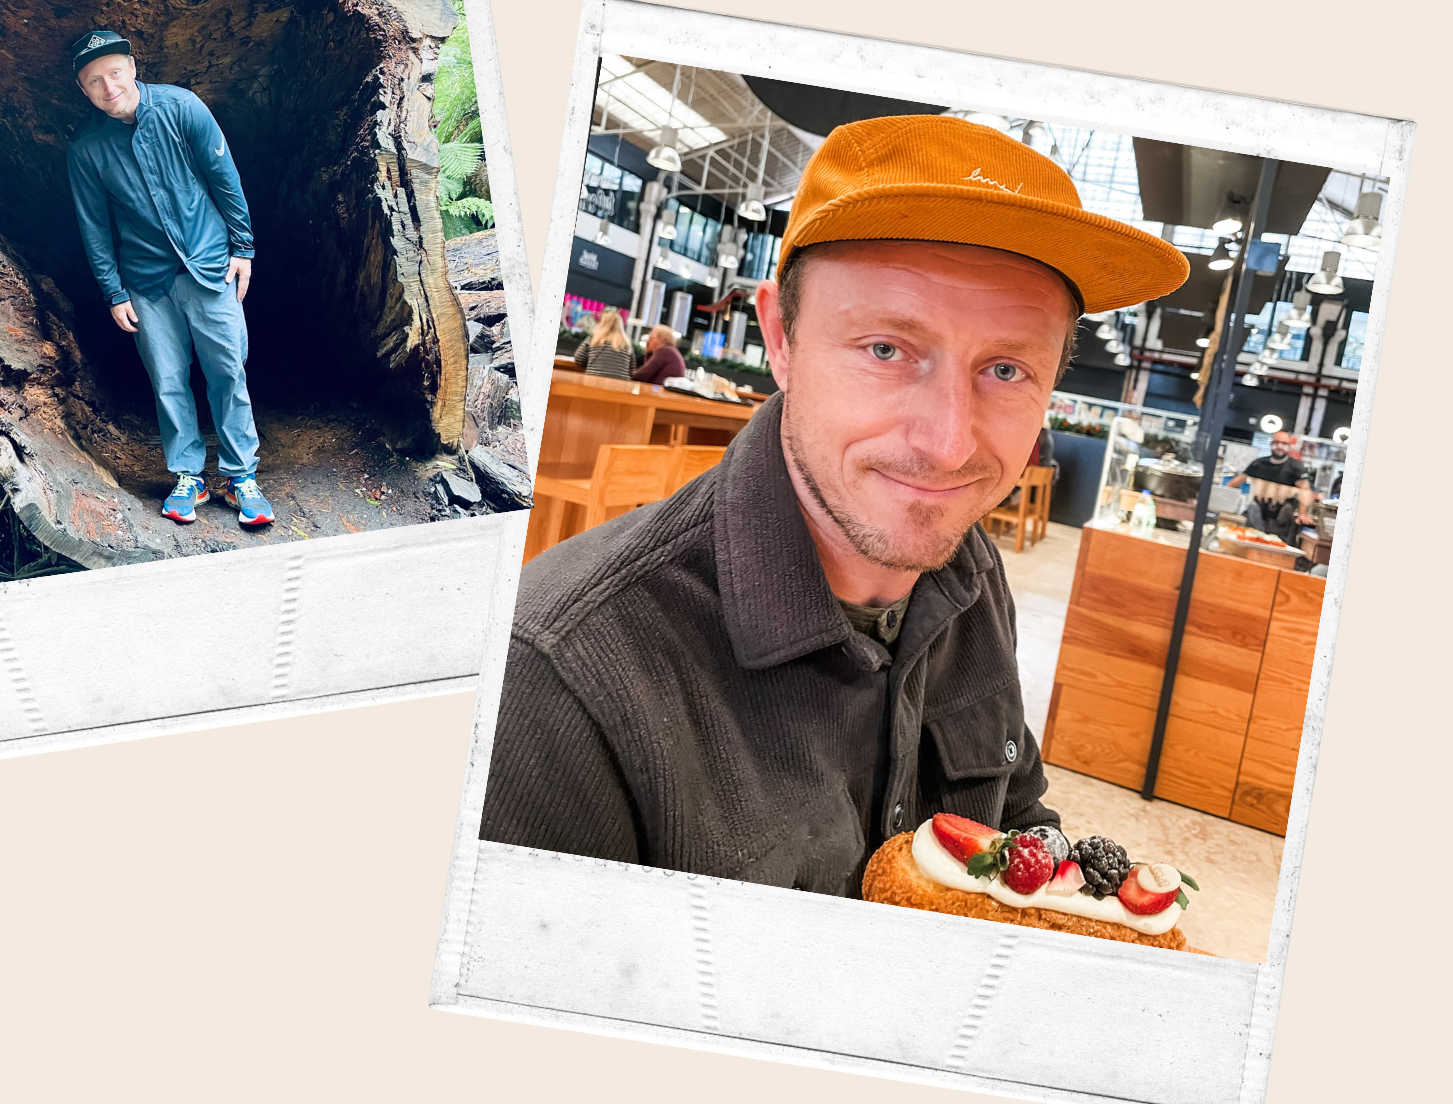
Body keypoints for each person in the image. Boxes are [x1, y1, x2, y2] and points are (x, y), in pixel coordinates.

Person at [482, 115, 1188, 896]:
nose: (949, 447)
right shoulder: (558, 682)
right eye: (886, 349)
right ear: (781, 337)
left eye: (1008, 370)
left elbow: (1017, 816)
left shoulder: (969, 569)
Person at [63, 29, 275, 529]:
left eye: (115, 72)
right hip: (146, 278)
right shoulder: (86, 148)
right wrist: (114, 292)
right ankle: (188, 474)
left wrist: (243, 247)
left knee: (228, 370)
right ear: (83, 90)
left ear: (133, 67)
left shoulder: (182, 108)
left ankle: (242, 475)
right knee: (168, 379)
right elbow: (93, 227)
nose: (108, 86)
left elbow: (225, 177)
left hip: (208, 263)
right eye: (95, 80)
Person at [1236, 431, 1317, 545]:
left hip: (1282, 522)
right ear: (1271, 444)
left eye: (1284, 443)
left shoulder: (1296, 467)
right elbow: (1239, 479)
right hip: (1256, 518)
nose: (1279, 446)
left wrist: (1302, 513)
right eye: (1276, 442)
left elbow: (1305, 490)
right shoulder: (1259, 463)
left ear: (1289, 446)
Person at [572, 307, 634, 379]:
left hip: (593, 384)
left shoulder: (594, 338)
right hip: (619, 387)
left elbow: (579, 358)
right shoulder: (626, 343)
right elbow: (632, 371)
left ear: (602, 321)